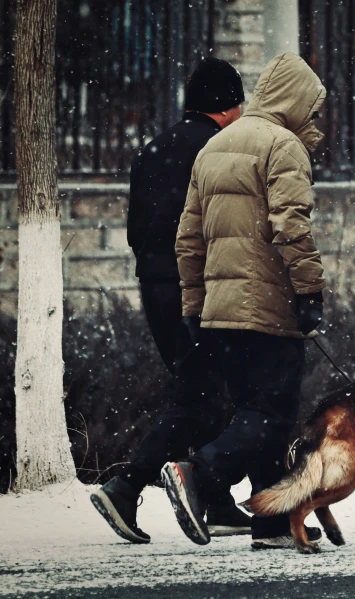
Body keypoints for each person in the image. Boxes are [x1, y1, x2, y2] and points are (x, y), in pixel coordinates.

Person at [161, 53, 327, 550]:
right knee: (273, 414)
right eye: (312, 109)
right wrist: (310, 291)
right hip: (267, 308)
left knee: (254, 414)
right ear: (296, 102)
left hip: (219, 310)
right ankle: (200, 472)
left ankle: (271, 523)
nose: (314, 120)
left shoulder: (214, 147)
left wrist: (194, 308)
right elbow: (291, 229)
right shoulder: (284, 145)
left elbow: (187, 240)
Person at [90, 57, 251, 543]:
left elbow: (135, 229)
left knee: (202, 387)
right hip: (195, 286)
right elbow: (219, 226)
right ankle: (126, 485)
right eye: (240, 102)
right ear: (226, 106)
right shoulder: (218, 148)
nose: (243, 112)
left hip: (155, 284)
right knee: (200, 394)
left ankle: (218, 503)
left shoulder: (152, 148)